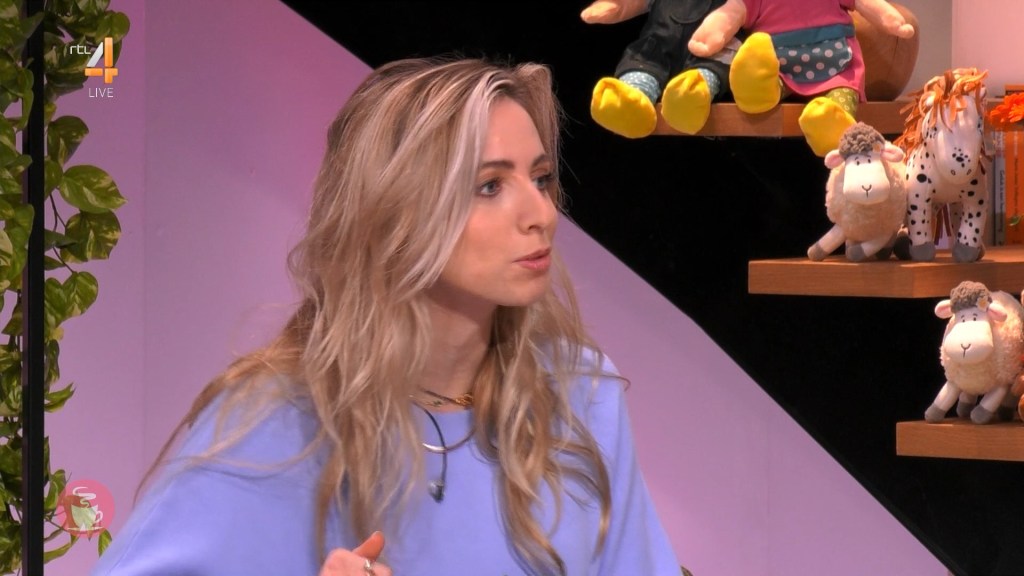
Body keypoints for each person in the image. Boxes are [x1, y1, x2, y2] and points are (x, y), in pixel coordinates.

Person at [91, 56, 680, 576]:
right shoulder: (276, 420)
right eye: (489, 186)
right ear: (397, 210)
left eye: (541, 178)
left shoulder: (581, 394)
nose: (542, 214)